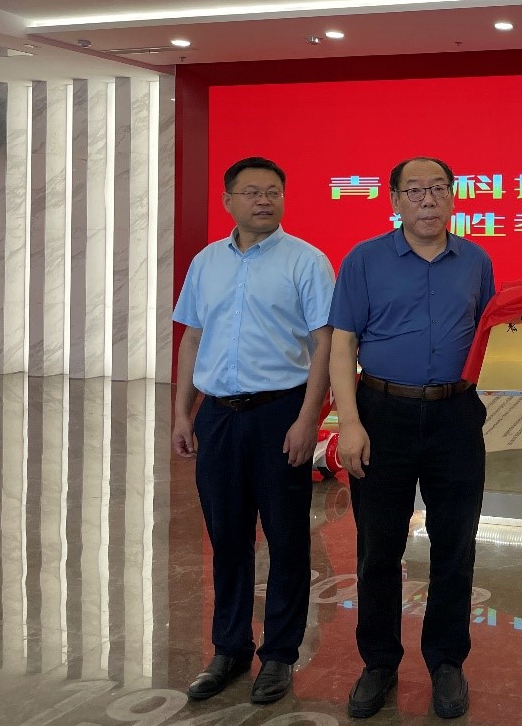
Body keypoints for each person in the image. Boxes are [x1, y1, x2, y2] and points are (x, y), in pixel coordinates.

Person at [329, 156, 495, 720]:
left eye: (438, 188)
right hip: (382, 412)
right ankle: (378, 663)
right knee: (379, 547)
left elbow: (489, 334)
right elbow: (343, 342)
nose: (428, 198)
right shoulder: (364, 259)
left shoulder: (475, 261)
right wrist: (350, 423)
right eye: (415, 190)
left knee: (456, 544)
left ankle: (447, 662)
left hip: (455, 416)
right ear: (395, 199)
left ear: (453, 195)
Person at [172, 156, 335, 704]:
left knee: (287, 540)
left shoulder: (307, 261)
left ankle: (280, 655)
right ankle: (230, 648)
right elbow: (193, 338)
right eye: (251, 192)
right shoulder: (206, 262)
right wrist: (183, 413)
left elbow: (324, 345)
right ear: (228, 201)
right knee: (227, 538)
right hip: (218, 415)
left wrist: (308, 419)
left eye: (273, 191)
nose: (264, 200)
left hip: (279, 413)